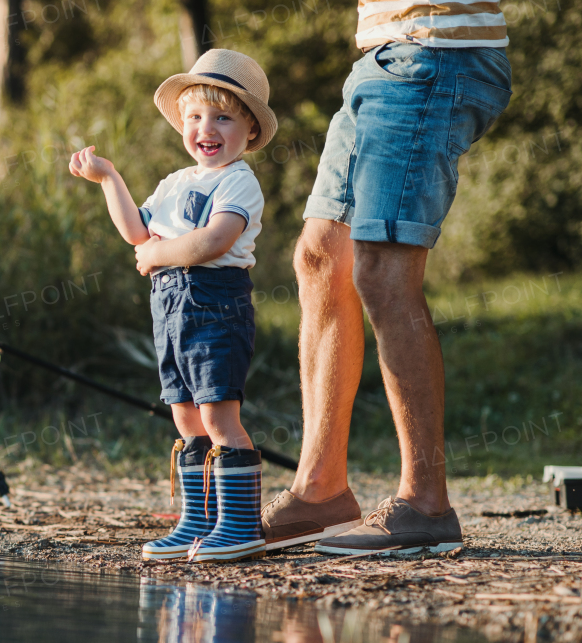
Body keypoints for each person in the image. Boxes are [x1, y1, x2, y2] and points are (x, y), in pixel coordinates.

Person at [262, 5, 513, 556]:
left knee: (381, 267)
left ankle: (426, 504)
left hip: (434, 52)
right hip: (381, 55)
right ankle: (320, 489)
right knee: (322, 256)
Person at [69, 49, 278, 563]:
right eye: (195, 117)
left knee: (218, 413)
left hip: (214, 301)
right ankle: (198, 520)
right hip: (169, 307)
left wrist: (159, 254)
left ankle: (240, 525)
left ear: (249, 131)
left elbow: (212, 240)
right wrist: (109, 179)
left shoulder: (238, 182)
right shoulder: (174, 182)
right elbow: (136, 232)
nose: (206, 128)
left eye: (223, 117)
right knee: (184, 414)